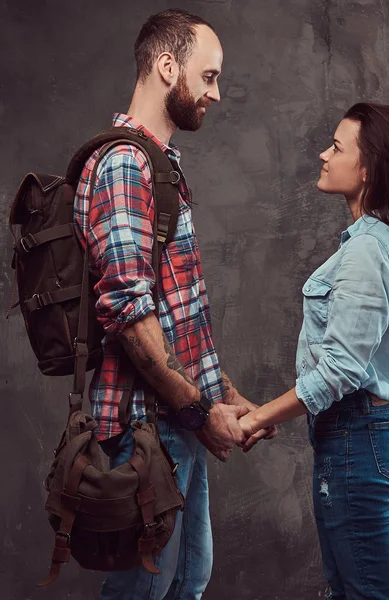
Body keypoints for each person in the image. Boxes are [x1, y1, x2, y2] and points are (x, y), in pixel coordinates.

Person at [73, 9, 275, 600]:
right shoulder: (124, 166)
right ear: (168, 67)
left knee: (187, 582)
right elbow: (131, 319)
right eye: (207, 76)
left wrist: (228, 398)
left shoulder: (157, 166)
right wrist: (198, 412)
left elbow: (178, 317)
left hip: (173, 425)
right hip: (144, 429)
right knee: (143, 592)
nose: (215, 92)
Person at [239, 103, 389, 600]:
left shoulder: (370, 249)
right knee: (351, 589)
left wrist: (257, 418)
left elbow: (340, 371)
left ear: (368, 168)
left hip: (358, 439)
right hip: (354, 438)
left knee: (366, 593)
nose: (323, 155)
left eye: (336, 147)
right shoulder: (375, 242)